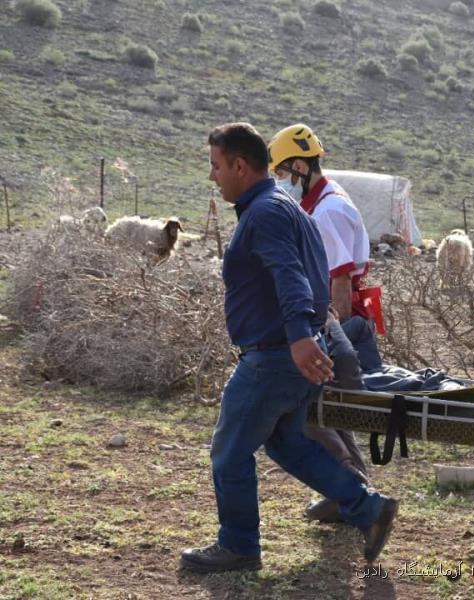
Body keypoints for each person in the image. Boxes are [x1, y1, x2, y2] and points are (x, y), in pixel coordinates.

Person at [180, 123, 397, 573]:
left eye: (216, 167)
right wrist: (309, 335)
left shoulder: (266, 213)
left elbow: (292, 277)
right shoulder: (284, 207)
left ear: (240, 165)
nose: (213, 176)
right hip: (288, 352)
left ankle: (238, 546)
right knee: (287, 444)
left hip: (275, 354)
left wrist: (300, 337)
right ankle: (368, 508)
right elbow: (313, 274)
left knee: (229, 450)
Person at [267, 122, 380, 523]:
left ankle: (349, 492)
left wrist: (328, 336)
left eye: (281, 173)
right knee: (330, 413)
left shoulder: (327, 211)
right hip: (335, 324)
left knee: (312, 415)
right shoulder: (319, 203)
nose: (280, 182)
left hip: (338, 324)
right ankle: (351, 493)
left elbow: (340, 284)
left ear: (299, 166)